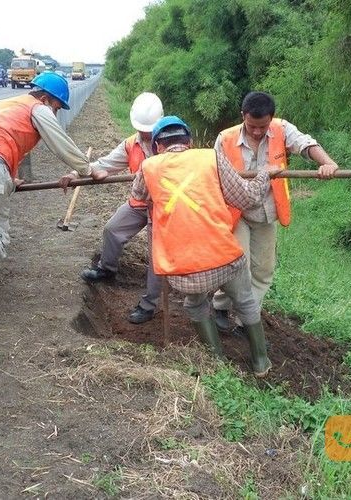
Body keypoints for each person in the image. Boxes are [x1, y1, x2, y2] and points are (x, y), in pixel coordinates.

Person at [0, 72, 107, 317]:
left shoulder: (8, 105)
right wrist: (88, 169)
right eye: (58, 106)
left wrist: (9, 177)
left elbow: (0, 138)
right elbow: (59, 142)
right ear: (48, 98)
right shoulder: (39, 108)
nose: (57, 112)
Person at [131, 116, 281, 377]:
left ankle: (217, 361)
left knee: (195, 304)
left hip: (183, 271)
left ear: (157, 146)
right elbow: (246, 197)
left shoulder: (148, 166)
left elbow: (137, 197)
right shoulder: (209, 157)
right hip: (224, 260)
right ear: (189, 142)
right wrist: (265, 174)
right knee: (244, 300)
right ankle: (260, 362)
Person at [212, 91, 340, 333]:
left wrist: (327, 163)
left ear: (271, 118)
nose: (258, 131)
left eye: (263, 126)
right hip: (236, 212)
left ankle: (245, 321)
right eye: (252, 126)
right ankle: (220, 305)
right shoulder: (225, 139)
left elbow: (306, 144)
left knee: (263, 272)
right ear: (243, 117)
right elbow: (213, 173)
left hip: (266, 214)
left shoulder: (281, 129)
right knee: (238, 266)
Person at [77, 92, 164, 325]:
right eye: (142, 129)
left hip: (166, 207)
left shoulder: (172, 140)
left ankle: (149, 305)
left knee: (157, 256)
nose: (145, 133)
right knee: (112, 229)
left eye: (149, 129)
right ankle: (107, 269)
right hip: (140, 202)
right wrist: (79, 172)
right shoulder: (130, 144)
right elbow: (105, 164)